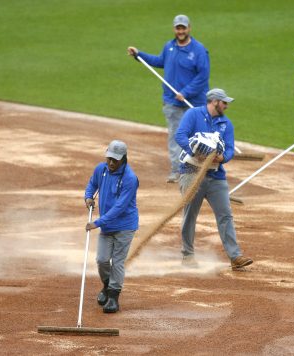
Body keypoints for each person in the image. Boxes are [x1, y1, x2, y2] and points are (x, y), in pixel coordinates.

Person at [174, 88, 253, 271]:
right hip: (191, 173)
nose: (226, 105)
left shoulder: (226, 123)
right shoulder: (193, 114)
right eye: (224, 102)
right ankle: (188, 255)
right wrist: (195, 152)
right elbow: (180, 136)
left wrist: (222, 158)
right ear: (214, 101)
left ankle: (235, 257)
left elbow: (230, 149)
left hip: (216, 176)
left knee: (225, 215)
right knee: (190, 215)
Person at [128, 14, 210, 184]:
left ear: (189, 28)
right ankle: (177, 170)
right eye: (178, 28)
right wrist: (139, 55)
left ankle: (200, 170)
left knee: (198, 137)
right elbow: (159, 61)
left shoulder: (198, 50)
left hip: (193, 104)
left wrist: (186, 92)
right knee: (175, 136)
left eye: (183, 28)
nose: (180, 31)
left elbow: (203, 76)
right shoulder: (169, 47)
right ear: (174, 29)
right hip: (172, 102)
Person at [84, 140, 139, 313]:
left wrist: (97, 223)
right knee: (101, 260)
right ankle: (107, 287)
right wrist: (88, 197)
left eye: (115, 160)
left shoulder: (130, 179)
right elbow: (92, 184)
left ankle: (114, 297)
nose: (111, 163)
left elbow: (119, 208)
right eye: (109, 158)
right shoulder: (101, 169)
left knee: (117, 262)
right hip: (107, 227)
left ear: (124, 159)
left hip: (125, 226)